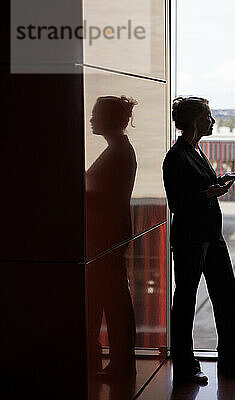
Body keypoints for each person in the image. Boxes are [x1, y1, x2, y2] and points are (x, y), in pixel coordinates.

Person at [162, 96, 235, 384]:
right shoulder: (176, 156)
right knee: (187, 300)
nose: (212, 121)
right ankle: (186, 366)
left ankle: (230, 360)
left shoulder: (196, 151)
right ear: (193, 121)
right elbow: (177, 203)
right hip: (191, 238)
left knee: (227, 294)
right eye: (208, 116)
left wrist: (221, 180)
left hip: (211, 237)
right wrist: (208, 193)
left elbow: (199, 186)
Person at [86, 96, 138, 382]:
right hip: (109, 236)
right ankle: (119, 363)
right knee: (112, 300)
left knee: (114, 302)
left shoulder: (117, 152)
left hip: (106, 238)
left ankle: (120, 365)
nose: (91, 119)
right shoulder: (118, 149)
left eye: (95, 114)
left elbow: (104, 197)